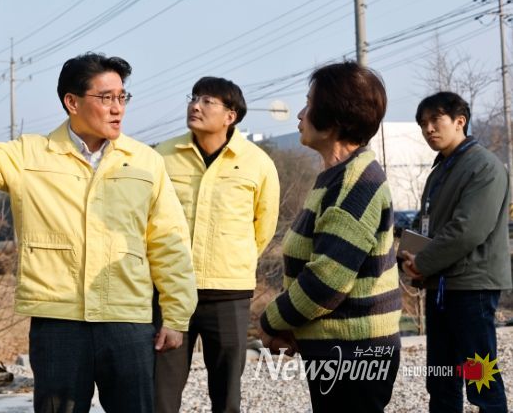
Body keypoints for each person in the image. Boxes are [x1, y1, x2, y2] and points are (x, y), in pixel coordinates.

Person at [0, 44, 197, 413]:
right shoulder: (30, 156)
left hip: (127, 321)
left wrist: (176, 315)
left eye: (122, 97)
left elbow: (169, 241)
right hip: (58, 323)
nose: (118, 108)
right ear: (72, 102)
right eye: (106, 97)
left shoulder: (145, 162)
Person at [259, 62, 401, 412]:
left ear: (335, 117)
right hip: (338, 349)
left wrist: (270, 321)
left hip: (355, 352)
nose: (300, 114)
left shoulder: (357, 182)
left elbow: (326, 281)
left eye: (309, 104)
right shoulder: (336, 176)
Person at [154, 77, 280, 412]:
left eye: (207, 101)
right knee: (159, 395)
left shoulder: (257, 163)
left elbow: (263, 226)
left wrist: (233, 259)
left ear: (230, 116)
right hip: (169, 292)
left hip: (228, 295)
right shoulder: (163, 156)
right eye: (194, 97)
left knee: (226, 397)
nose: (195, 105)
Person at [399, 91, 511, 412]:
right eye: (423, 123)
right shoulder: (441, 169)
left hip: (472, 288)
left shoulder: (483, 166)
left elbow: (467, 229)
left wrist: (423, 261)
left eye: (436, 120)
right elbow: (428, 225)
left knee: (480, 378)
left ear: (460, 121)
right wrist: (410, 258)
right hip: (441, 286)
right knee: (442, 378)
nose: (428, 129)